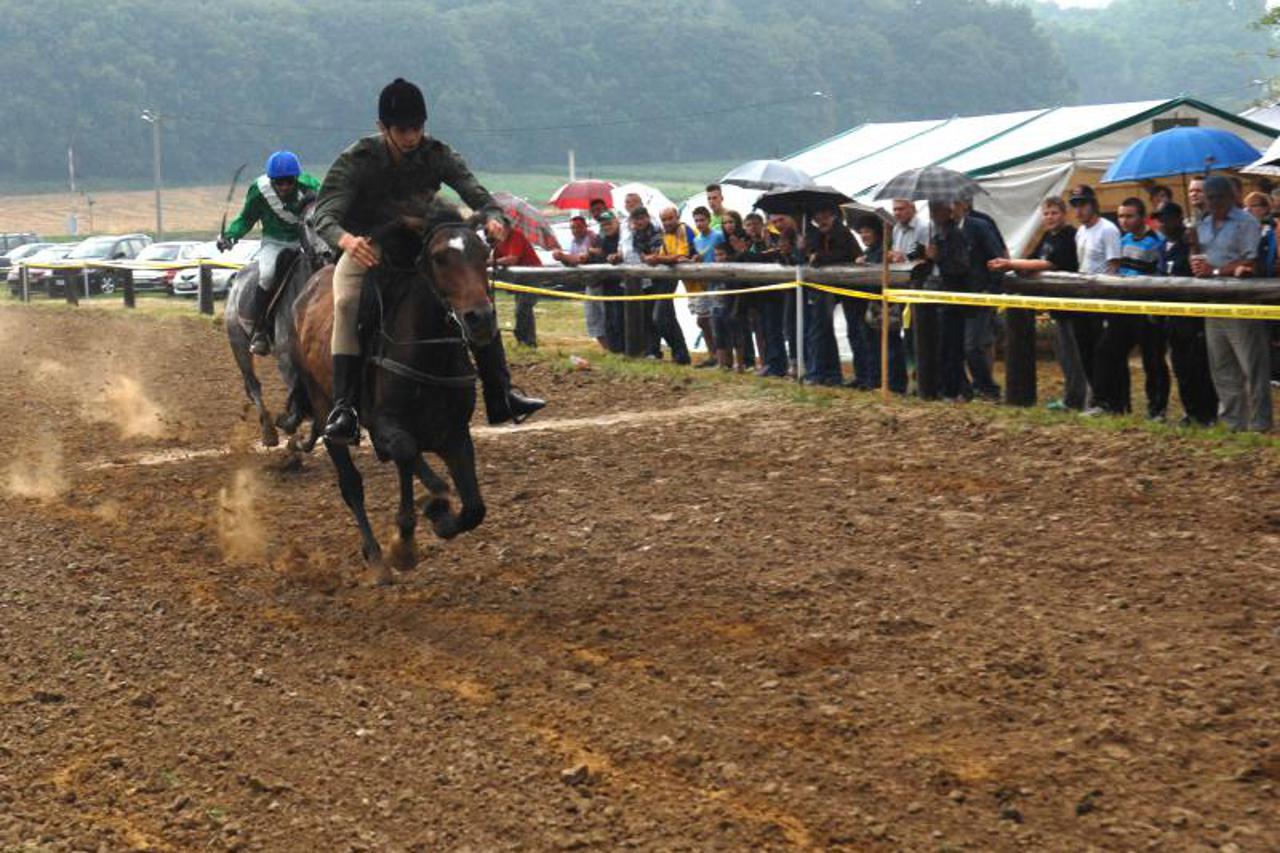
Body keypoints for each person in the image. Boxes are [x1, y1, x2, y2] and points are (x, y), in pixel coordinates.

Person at [311, 77, 544, 444]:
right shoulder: (357, 159)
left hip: (422, 249)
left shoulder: (436, 153)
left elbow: (479, 195)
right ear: (382, 128)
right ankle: (345, 409)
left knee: (474, 296)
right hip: (371, 249)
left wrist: (494, 217)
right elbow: (324, 213)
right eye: (402, 130)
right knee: (345, 302)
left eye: (417, 128)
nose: (411, 137)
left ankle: (502, 393)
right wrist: (346, 240)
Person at [219, 150, 320, 355]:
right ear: (271, 181)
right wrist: (231, 235)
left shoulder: (312, 186)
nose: (284, 187)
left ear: (296, 178)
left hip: (305, 241)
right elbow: (246, 218)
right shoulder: (259, 190)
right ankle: (260, 330)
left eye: (289, 182)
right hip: (274, 243)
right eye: (279, 183)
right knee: (266, 275)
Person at [990, 197, 1087, 410]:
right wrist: (1018, 266)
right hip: (1056, 305)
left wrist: (1011, 263)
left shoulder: (1068, 236)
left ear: (1064, 214)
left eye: (1054, 213)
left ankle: (1080, 399)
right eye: (1046, 213)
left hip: (1073, 304)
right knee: (1063, 354)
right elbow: (1032, 259)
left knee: (1076, 354)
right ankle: (1071, 398)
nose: (1050, 217)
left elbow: (1049, 263)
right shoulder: (1046, 237)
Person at [1193, 175, 1271, 432]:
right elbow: (1200, 258)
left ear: (1231, 197)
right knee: (1222, 366)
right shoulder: (1201, 223)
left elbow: (1249, 263)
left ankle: (1260, 423)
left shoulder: (1245, 222)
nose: (1212, 202)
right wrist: (1194, 257)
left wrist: (1214, 271)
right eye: (1209, 197)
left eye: (1217, 197)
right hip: (1212, 301)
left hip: (1240, 300)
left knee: (1252, 366)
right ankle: (1232, 422)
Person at [1090, 197, 1170, 418]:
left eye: (1129, 216)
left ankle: (1157, 410)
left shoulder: (1156, 242)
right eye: (1121, 216)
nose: (1124, 220)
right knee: (1107, 350)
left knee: (1152, 360)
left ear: (1142, 217)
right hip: (1124, 307)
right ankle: (1111, 403)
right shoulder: (1123, 240)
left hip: (1147, 310)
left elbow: (1161, 275)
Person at [1154, 201, 1217, 426]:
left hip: (1192, 315)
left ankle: (1207, 413)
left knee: (1198, 366)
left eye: (1167, 217)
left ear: (1178, 218)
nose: (1162, 222)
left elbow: (1197, 271)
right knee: (1179, 366)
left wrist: (1194, 247)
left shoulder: (1190, 243)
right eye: (1159, 218)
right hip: (1171, 316)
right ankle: (1190, 411)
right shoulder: (1162, 248)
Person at [1069, 184, 1121, 413]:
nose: (1079, 211)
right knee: (1085, 349)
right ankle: (1097, 397)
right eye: (1076, 206)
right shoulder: (1080, 232)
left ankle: (1106, 399)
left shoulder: (1108, 230)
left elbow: (1114, 266)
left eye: (1083, 205)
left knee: (1102, 351)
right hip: (1083, 297)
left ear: (1093, 205)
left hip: (1101, 298)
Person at [953, 196, 1005, 400]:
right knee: (957, 345)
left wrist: (991, 289)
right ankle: (967, 387)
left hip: (980, 292)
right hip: (956, 294)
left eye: (953, 203)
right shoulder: (944, 229)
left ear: (963, 205)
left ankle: (987, 388)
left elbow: (996, 256)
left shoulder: (980, 226)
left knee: (973, 345)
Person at [802, 205, 857, 386]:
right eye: (818, 217)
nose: (822, 221)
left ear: (834, 216)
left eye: (825, 216)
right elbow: (811, 253)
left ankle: (860, 376)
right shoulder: (818, 234)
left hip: (850, 286)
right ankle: (827, 373)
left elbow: (843, 254)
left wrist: (819, 257)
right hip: (825, 286)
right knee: (821, 329)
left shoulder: (843, 233)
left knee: (854, 331)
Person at [636, 206, 690, 365]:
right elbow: (662, 255)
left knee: (659, 317)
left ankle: (680, 353)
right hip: (662, 276)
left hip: (672, 277)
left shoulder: (682, 230)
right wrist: (653, 258)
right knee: (666, 318)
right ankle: (680, 355)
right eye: (664, 219)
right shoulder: (665, 234)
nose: (667, 222)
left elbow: (682, 255)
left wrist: (658, 259)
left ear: (677, 217)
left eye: (670, 218)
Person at [553, 216, 606, 350]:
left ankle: (614, 348)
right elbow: (572, 262)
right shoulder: (574, 242)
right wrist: (562, 258)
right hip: (589, 283)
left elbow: (581, 259)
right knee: (593, 319)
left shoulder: (593, 238)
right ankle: (607, 349)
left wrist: (563, 256)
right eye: (573, 227)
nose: (575, 230)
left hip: (601, 283)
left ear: (585, 226)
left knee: (605, 319)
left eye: (578, 227)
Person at [492, 220, 540, 347]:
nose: (497, 230)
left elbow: (513, 259)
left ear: (506, 227)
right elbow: (494, 257)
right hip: (519, 278)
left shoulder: (516, 235)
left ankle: (527, 340)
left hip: (531, 276)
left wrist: (492, 262)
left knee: (523, 309)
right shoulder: (499, 240)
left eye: (499, 227)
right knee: (523, 309)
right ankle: (526, 341)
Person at [686, 206, 723, 367]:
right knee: (702, 320)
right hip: (702, 283)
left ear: (708, 220)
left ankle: (722, 355)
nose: (699, 223)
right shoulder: (696, 240)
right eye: (696, 221)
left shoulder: (718, 236)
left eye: (702, 220)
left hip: (717, 281)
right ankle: (712, 353)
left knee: (716, 319)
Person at [588, 211, 626, 352]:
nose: (606, 227)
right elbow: (599, 258)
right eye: (603, 224)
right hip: (607, 284)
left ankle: (624, 350)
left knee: (620, 319)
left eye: (609, 223)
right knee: (609, 320)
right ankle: (614, 351)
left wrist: (612, 256)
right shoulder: (602, 239)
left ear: (616, 221)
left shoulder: (623, 237)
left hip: (623, 284)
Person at [1243, 191, 1277, 277]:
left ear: (1265, 208)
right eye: (1246, 206)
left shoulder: (1273, 229)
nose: (1248, 209)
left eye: (1252, 205)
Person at [889, 199, 929, 263]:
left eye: (901, 209)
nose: (897, 213)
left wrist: (905, 259)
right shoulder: (896, 229)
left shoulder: (924, 227)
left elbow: (927, 257)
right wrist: (891, 255)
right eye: (894, 210)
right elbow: (895, 253)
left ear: (913, 209)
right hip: (899, 271)